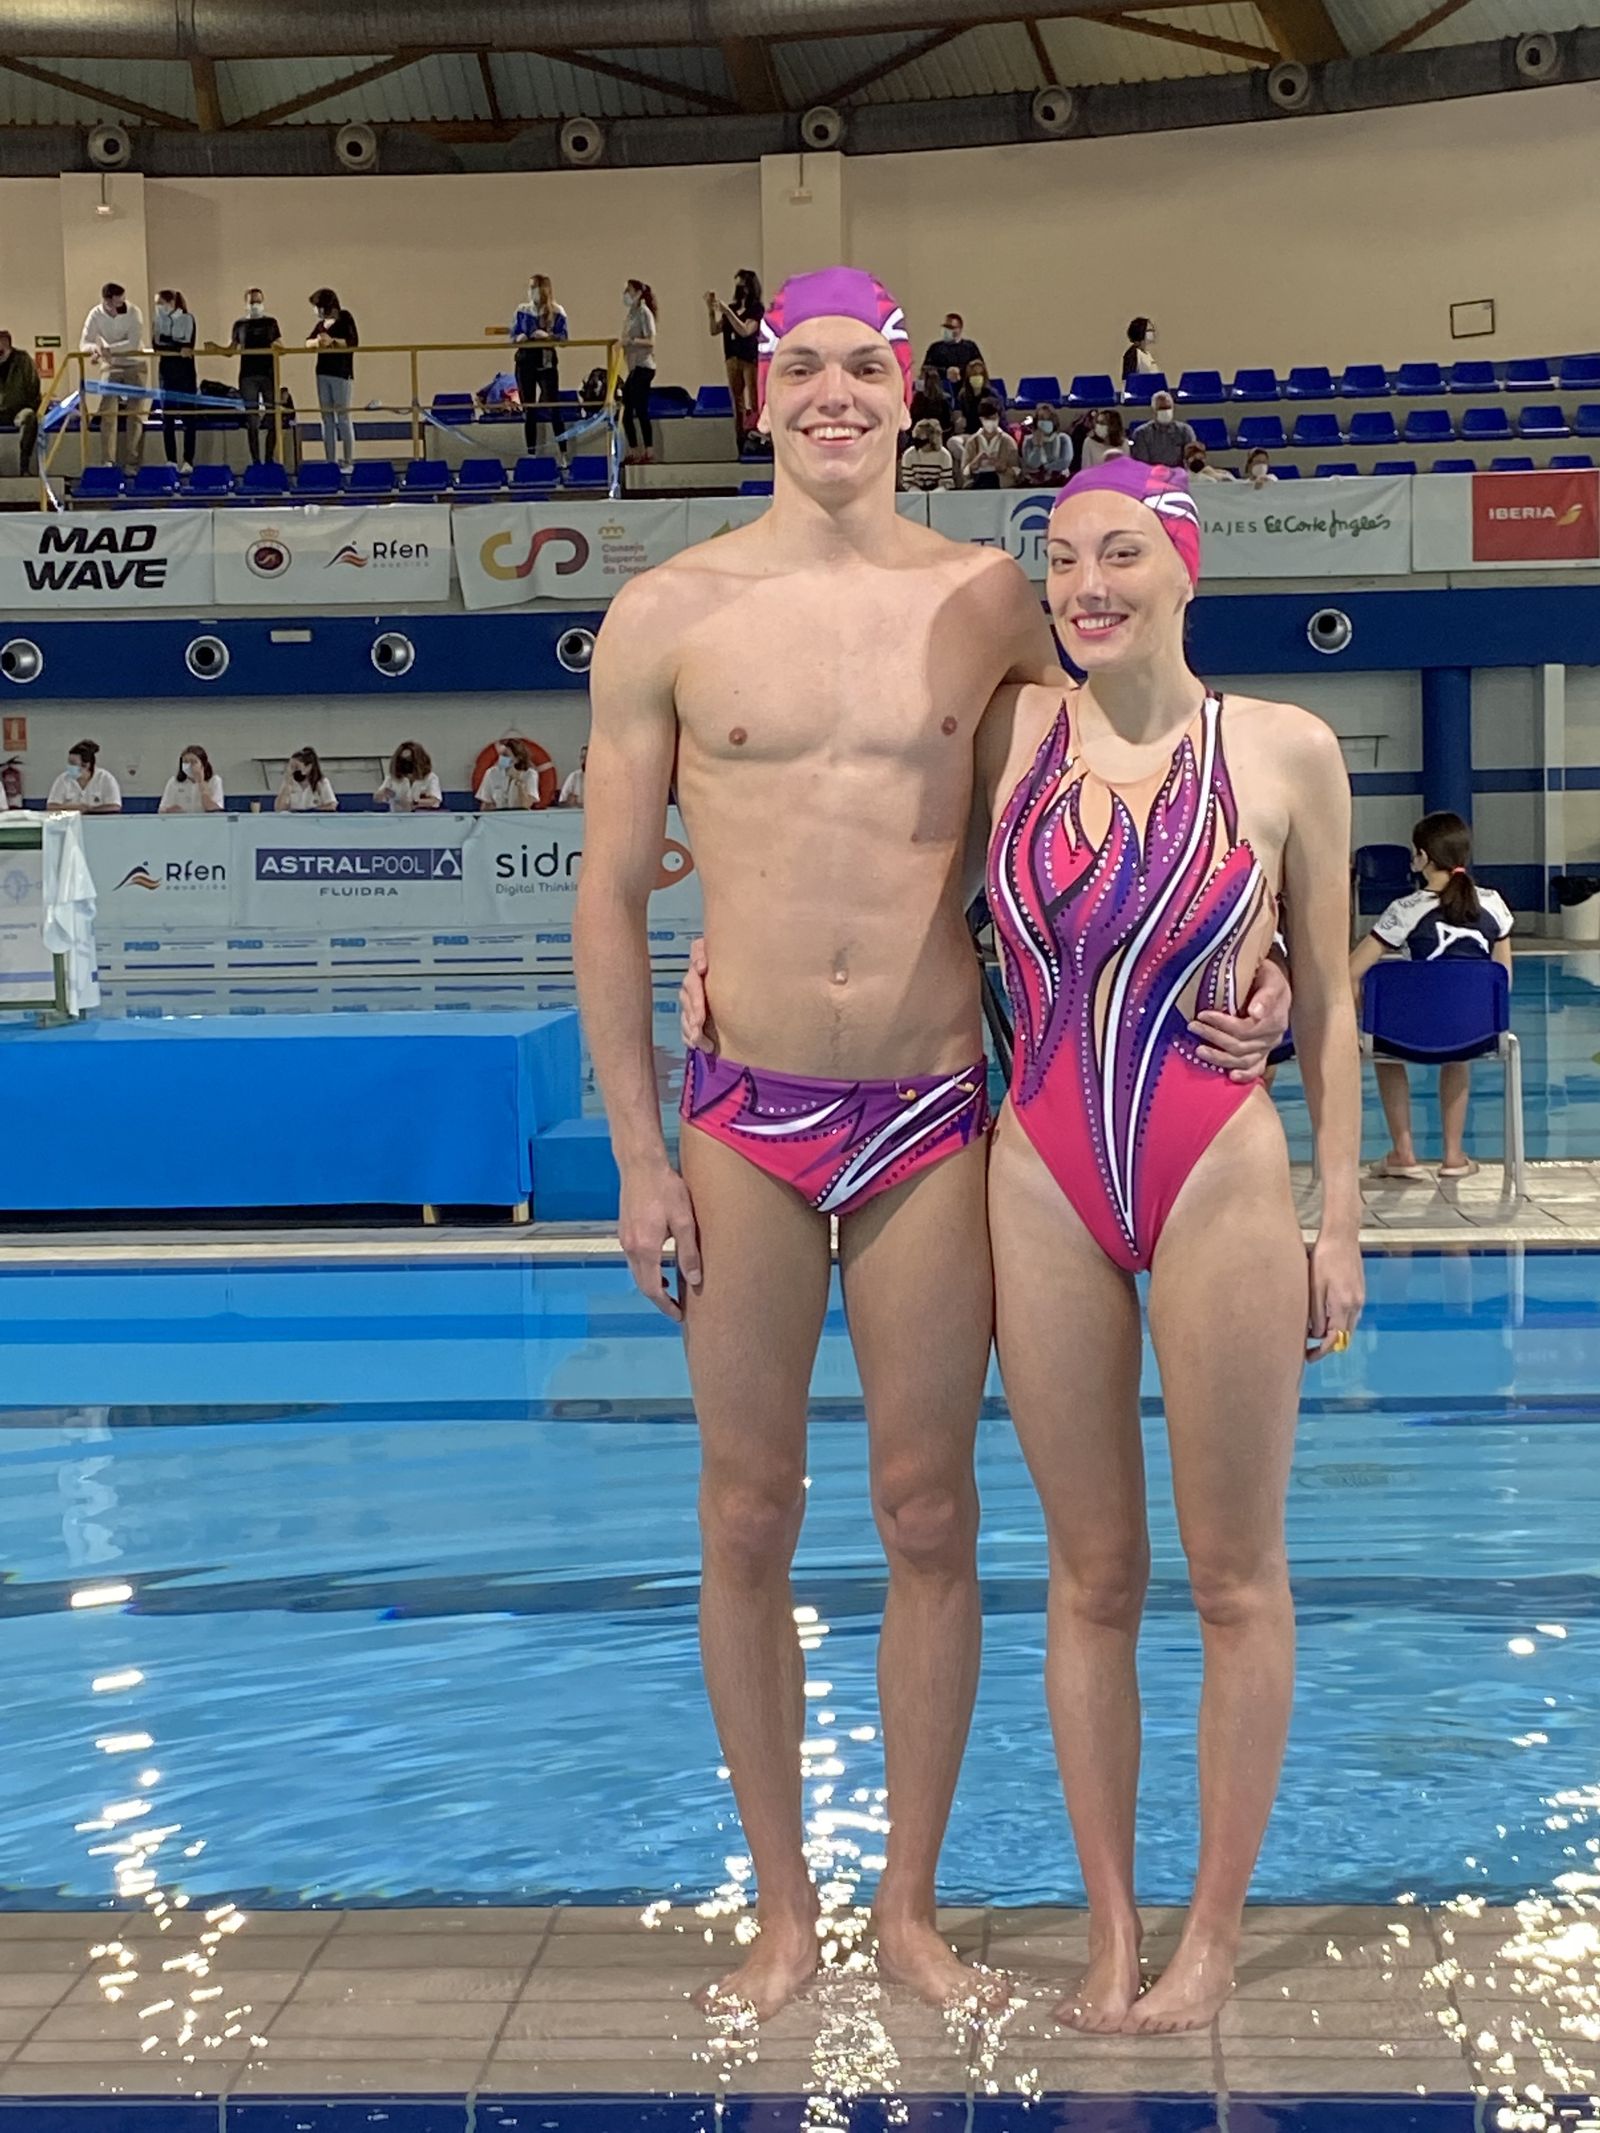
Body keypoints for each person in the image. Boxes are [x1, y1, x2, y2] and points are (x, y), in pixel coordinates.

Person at [578, 266, 1287, 2024]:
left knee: (925, 1508)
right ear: (758, 393)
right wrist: (637, 1154)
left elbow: (1146, 755)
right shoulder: (665, 612)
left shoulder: (992, 602)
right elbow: (607, 897)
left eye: (864, 369)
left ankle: (906, 1901)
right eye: (801, 367)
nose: (833, 395)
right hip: (742, 1114)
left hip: (932, 1105)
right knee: (746, 1507)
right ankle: (783, 1907)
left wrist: (1255, 958)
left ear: (913, 391)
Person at [981, 457, 1361, 2034]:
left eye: (1123, 553)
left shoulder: (1285, 748)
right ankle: (1112, 1927)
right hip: (1040, 1172)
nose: (1089, 584)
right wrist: (722, 946)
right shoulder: (1010, 733)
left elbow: (1327, 1001)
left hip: (1220, 1168)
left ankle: (1211, 1932)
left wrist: (1340, 1221)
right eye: (1065, 557)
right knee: (1087, 1576)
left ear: (1187, 568)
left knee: (1233, 1575)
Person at [1349, 810, 1513, 1182]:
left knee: (1383, 1041)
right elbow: (1503, 979)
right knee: (1458, 1046)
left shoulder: (1404, 910)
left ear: (1423, 857)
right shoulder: (1494, 905)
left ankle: (1403, 1153)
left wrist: (1359, 1016)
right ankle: (1453, 1156)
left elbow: (1351, 971)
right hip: (1478, 1032)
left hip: (1406, 1034)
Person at [79, 282, 146, 471]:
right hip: (111, 365)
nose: (121, 306)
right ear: (107, 302)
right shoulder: (95, 314)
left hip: (135, 363)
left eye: (123, 301)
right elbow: (84, 343)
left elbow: (133, 343)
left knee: (135, 413)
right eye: (117, 303)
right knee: (107, 413)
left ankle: (132, 462)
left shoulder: (134, 312)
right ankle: (108, 461)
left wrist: (107, 350)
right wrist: (95, 349)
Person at [214, 287, 281, 463]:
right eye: (252, 302)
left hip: (268, 374)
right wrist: (216, 349)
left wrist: (278, 348)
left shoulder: (271, 323)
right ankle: (256, 460)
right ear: (246, 304)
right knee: (252, 419)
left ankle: (269, 458)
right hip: (248, 375)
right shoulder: (240, 325)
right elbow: (231, 350)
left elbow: (279, 344)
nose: (255, 305)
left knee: (273, 416)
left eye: (258, 301)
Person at [510, 273, 569, 466]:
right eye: (530, 288)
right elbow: (512, 335)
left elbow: (564, 338)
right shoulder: (522, 310)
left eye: (534, 288)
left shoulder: (557, 311)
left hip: (546, 362)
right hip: (525, 361)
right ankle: (531, 453)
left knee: (554, 408)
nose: (532, 292)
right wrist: (518, 338)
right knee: (529, 410)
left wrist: (547, 337)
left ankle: (563, 453)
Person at [707, 270, 764, 445]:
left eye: (743, 284)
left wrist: (728, 312)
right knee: (737, 401)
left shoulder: (756, 309)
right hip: (732, 357)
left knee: (754, 399)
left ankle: (757, 434)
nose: (740, 288)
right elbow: (714, 330)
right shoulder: (731, 309)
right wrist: (711, 311)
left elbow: (745, 330)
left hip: (749, 358)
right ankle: (740, 438)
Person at [307, 288, 359, 469]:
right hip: (323, 372)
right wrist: (317, 342)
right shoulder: (321, 325)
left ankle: (348, 460)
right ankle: (330, 460)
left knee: (343, 417)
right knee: (326, 418)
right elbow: (308, 341)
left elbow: (353, 342)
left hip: (341, 373)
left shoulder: (345, 318)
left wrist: (333, 341)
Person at [152, 289, 198, 473]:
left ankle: (188, 460)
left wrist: (170, 342)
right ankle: (170, 459)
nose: (158, 307)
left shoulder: (187, 319)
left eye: (160, 303)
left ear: (171, 303)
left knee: (189, 418)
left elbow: (187, 344)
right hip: (166, 373)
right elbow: (157, 345)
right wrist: (175, 345)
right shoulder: (158, 321)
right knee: (167, 418)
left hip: (185, 373)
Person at [620, 279, 657, 466]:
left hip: (644, 367)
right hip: (633, 367)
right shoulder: (631, 314)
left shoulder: (644, 313)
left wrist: (632, 342)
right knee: (626, 409)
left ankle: (648, 450)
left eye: (629, 290)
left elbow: (651, 341)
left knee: (640, 409)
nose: (625, 294)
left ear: (638, 293)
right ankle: (634, 449)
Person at [0, 331, 43, 476]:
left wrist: (31, 405)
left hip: (18, 410)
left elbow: (33, 386)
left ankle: (24, 464)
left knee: (29, 417)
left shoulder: (23, 360)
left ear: (7, 344)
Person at [959, 395, 1021, 489]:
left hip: (1001, 485)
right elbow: (964, 472)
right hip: (976, 484)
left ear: (998, 417)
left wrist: (1004, 468)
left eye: (993, 418)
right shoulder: (972, 442)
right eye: (987, 419)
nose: (990, 422)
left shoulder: (1008, 441)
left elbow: (1017, 472)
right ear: (981, 419)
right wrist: (973, 465)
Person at [48, 739, 122, 814]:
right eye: (69, 763)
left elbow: (115, 806)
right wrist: (75, 808)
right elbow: (51, 806)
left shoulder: (106, 778)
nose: (70, 767)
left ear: (86, 765)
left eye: (73, 763)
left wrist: (89, 810)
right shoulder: (62, 779)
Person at [1130, 392, 1198, 470]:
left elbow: (1191, 460)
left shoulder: (1185, 431)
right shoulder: (1141, 433)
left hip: (1180, 475)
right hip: (1152, 475)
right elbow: (1143, 465)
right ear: (1154, 410)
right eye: (1161, 408)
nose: (1165, 411)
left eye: (1168, 407)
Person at [921, 311, 983, 390]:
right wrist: (946, 372)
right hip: (940, 390)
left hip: (966, 389)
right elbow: (926, 369)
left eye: (951, 327)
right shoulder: (935, 348)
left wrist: (960, 371)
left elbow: (979, 367)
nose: (947, 330)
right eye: (945, 327)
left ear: (959, 329)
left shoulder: (970, 347)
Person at [477, 737, 542, 811]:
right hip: (499, 814)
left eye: (506, 755)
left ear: (517, 759)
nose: (502, 758)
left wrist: (518, 782)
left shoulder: (530, 774)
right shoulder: (491, 773)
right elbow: (486, 802)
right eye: (500, 755)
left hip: (520, 814)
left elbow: (527, 804)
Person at [375, 741, 442, 813]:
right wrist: (382, 793)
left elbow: (435, 801)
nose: (406, 764)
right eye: (403, 760)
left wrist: (414, 803)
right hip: (398, 816)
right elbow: (377, 798)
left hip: (422, 816)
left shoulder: (430, 778)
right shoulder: (392, 778)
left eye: (410, 760)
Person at [159, 744, 224, 815]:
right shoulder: (173, 782)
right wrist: (168, 810)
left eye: (193, 762)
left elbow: (213, 809)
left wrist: (201, 783)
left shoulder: (214, 781)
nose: (189, 766)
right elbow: (161, 810)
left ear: (202, 764)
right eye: (185, 762)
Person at [900, 416, 956, 492]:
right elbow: (908, 482)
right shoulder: (909, 455)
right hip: (915, 494)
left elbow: (946, 482)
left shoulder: (944, 455)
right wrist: (919, 494)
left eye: (923, 441)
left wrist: (932, 495)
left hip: (938, 493)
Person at [1020, 404, 1072, 486]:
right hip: (1035, 483)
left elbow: (1064, 462)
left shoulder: (1063, 439)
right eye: (1042, 419)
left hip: (1060, 481)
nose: (1045, 422)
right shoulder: (1028, 441)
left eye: (1049, 419)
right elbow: (1032, 464)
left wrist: (1045, 467)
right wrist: (1037, 446)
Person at [274, 747, 337, 812]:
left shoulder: (321, 782)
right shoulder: (289, 783)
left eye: (296, 767)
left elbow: (332, 805)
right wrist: (287, 785)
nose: (293, 770)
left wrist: (312, 811)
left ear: (308, 767)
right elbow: (279, 809)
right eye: (291, 767)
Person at [956, 356, 1000, 436]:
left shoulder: (992, 394)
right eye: (974, 374)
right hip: (969, 433)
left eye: (980, 374)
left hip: (988, 433)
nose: (977, 377)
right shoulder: (963, 395)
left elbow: (999, 417)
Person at [909, 363, 953, 438]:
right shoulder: (945, 398)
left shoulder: (919, 398)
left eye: (921, 377)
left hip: (930, 435)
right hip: (928, 434)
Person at [1121, 315, 1160, 386]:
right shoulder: (1132, 354)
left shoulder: (1147, 354)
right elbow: (1128, 381)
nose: (1153, 333)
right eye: (1149, 330)